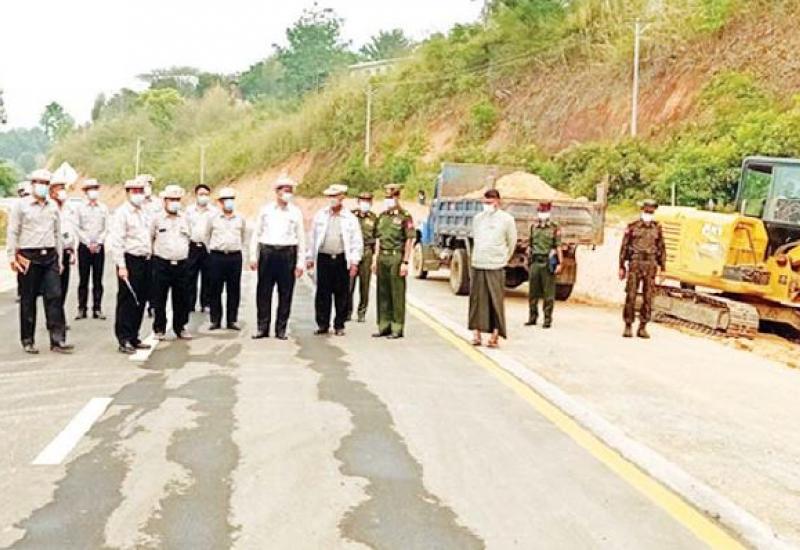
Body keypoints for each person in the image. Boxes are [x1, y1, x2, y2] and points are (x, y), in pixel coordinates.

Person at [6, 169, 72, 354]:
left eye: (45, 183)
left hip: (50, 255)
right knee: (28, 299)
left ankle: (57, 339)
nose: (42, 186)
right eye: (39, 183)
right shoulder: (21, 206)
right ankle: (28, 339)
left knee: (55, 296)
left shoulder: (52, 207)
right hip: (28, 256)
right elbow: (13, 231)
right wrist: (11, 256)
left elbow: (57, 234)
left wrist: (60, 259)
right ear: (32, 184)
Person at [249, 176, 306, 340]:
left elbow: (301, 238)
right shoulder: (266, 210)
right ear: (277, 192)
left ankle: (281, 329)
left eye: (290, 191)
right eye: (285, 190)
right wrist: (253, 256)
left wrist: (300, 262)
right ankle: (262, 327)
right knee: (263, 292)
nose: (288, 194)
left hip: (287, 253)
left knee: (285, 293)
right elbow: (256, 233)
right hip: (268, 252)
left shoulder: (295, 212)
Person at [307, 184, 363, 336]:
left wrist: (354, 262)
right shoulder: (321, 215)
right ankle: (322, 324)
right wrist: (309, 257)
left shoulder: (350, 218)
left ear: (342, 197)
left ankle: (339, 324)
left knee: (341, 293)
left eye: (335, 196)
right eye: (330, 196)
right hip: (323, 257)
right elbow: (313, 237)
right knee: (322, 293)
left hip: (340, 258)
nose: (332, 199)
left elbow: (356, 241)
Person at [108, 179, 153, 354]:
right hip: (130, 259)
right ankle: (124, 338)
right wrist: (121, 265)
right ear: (127, 193)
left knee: (141, 299)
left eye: (140, 191)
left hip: (145, 259)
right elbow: (117, 241)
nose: (138, 195)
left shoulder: (145, 212)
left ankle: (134, 335)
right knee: (128, 299)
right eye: (134, 192)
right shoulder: (122, 213)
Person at [468, 189, 517, 348]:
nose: (487, 205)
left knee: (495, 301)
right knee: (477, 301)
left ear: (498, 202)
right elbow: (476, 238)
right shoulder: (478, 219)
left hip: (496, 265)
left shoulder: (507, 220)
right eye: (485, 202)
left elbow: (512, 242)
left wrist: (503, 258)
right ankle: (476, 333)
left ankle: (495, 335)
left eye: (490, 202)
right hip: (478, 263)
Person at [619, 199, 666, 339]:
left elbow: (661, 248)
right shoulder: (632, 227)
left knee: (648, 297)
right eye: (646, 211)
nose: (648, 214)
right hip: (635, 263)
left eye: (651, 212)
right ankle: (628, 325)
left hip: (651, 264)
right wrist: (621, 266)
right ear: (642, 211)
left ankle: (643, 327)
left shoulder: (657, 228)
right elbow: (624, 247)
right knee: (631, 295)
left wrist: (663, 268)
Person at [150, 185, 192, 340]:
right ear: (165, 201)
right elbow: (150, 238)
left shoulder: (185, 218)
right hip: (162, 263)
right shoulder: (157, 219)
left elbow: (189, 238)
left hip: (181, 263)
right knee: (159, 297)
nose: (175, 202)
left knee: (182, 298)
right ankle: (159, 328)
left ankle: (180, 327)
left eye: (177, 199)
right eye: (171, 199)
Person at [373, 183, 415, 339]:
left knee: (396, 293)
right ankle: (384, 325)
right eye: (386, 197)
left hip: (396, 256)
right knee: (382, 292)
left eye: (391, 197)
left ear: (397, 197)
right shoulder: (382, 217)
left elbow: (409, 240)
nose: (388, 200)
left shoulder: (404, 216)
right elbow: (378, 238)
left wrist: (405, 262)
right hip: (382, 256)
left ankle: (397, 327)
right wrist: (375, 259)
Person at [206, 187, 246, 331]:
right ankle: (215, 320)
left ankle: (232, 320)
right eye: (225, 200)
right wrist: (212, 250)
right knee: (215, 289)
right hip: (217, 256)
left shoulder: (240, 218)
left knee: (234, 289)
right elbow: (206, 236)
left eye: (231, 199)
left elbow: (243, 236)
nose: (229, 202)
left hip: (234, 256)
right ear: (220, 202)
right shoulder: (213, 219)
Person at [75, 179, 109, 320]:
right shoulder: (80, 208)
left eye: (95, 188)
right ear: (85, 191)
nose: (93, 191)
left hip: (99, 247)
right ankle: (82, 308)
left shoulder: (103, 208)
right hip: (84, 247)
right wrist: (88, 243)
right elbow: (77, 227)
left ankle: (97, 308)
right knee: (83, 279)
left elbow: (106, 227)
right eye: (90, 189)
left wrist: (99, 242)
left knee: (98, 279)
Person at [526, 201, 563, 329]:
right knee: (533, 292)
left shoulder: (554, 227)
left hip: (548, 262)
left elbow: (558, 246)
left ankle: (547, 319)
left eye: (544, 211)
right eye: (540, 211)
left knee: (549, 294)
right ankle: (532, 317)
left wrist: (560, 263)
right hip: (535, 261)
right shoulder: (533, 227)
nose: (542, 213)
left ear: (549, 212)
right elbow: (530, 244)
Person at [186, 183, 218, 313]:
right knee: (190, 275)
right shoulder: (189, 211)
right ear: (196, 195)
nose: (203, 197)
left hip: (207, 247)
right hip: (192, 245)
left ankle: (206, 303)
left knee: (208, 275)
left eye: (206, 194)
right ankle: (189, 303)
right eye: (201, 194)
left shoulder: (214, 212)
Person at [49, 173, 78, 314]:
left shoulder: (69, 208)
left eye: (63, 188)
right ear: (51, 191)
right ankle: (54, 317)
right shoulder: (49, 207)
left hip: (66, 250)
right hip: (53, 252)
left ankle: (59, 316)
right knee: (54, 289)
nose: (62, 191)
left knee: (64, 286)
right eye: (59, 188)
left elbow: (72, 229)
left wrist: (73, 250)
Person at [347, 191, 378, 323]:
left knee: (364, 285)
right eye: (362, 200)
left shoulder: (374, 218)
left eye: (367, 201)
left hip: (367, 251)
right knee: (349, 284)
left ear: (371, 202)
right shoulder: (351, 216)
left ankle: (362, 312)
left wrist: (375, 257)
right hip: (353, 251)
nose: (365, 203)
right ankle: (347, 311)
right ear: (358, 201)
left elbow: (377, 238)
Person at [15, 181, 31, 304]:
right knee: (21, 270)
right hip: (21, 244)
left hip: (32, 243)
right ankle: (21, 292)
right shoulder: (17, 207)